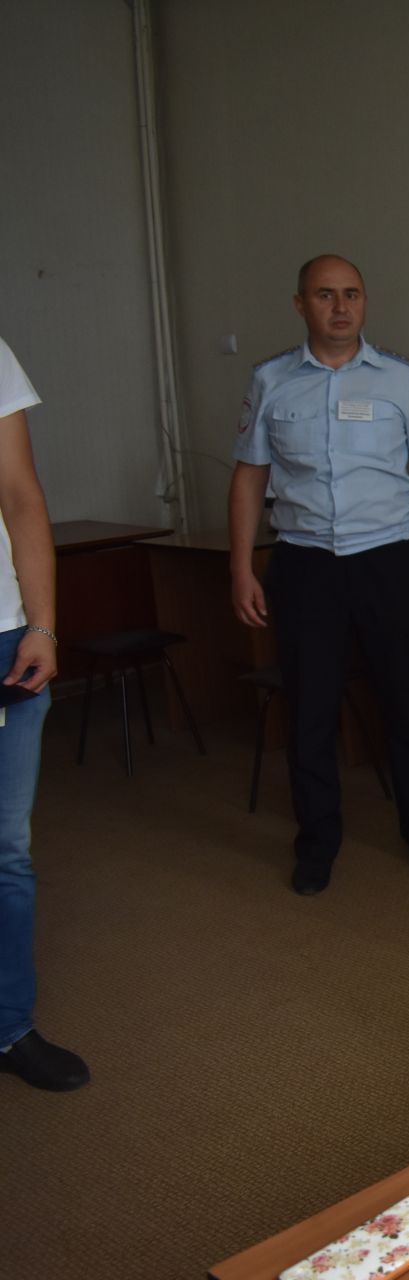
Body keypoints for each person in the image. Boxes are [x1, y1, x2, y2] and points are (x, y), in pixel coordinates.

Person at [228, 255, 409, 896]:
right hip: (303, 565)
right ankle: (318, 840)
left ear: (365, 302)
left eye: (351, 294)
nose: (340, 307)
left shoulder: (400, 380)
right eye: (325, 295)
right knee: (310, 710)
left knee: (405, 702)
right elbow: (249, 477)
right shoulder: (271, 381)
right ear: (300, 304)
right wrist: (240, 565)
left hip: (387, 560)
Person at [0, 338, 87, 1092]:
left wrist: (43, 623)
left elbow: (20, 494)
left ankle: (9, 1026)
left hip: (4, 636)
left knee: (6, 852)